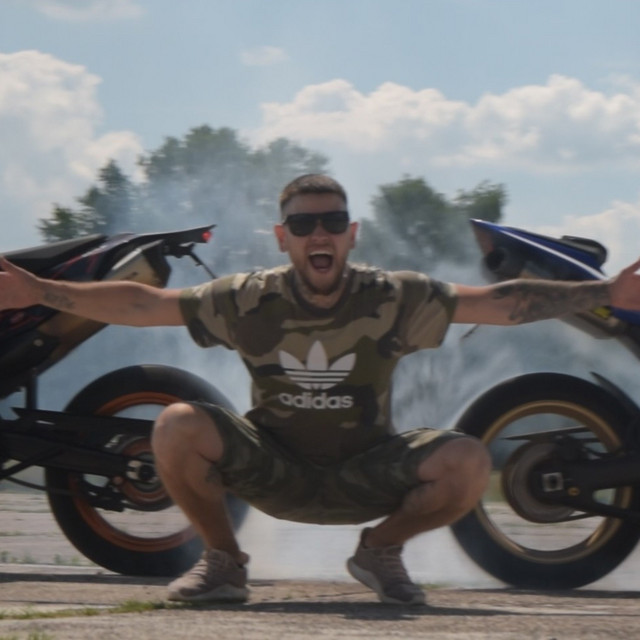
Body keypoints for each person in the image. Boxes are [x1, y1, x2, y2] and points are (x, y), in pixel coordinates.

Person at [2, 174, 640, 606]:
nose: (319, 234)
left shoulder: (392, 295)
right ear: (283, 237)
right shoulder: (249, 298)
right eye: (303, 224)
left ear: (351, 233)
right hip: (272, 469)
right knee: (175, 424)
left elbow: (498, 302)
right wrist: (39, 291)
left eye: (332, 221)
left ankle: (380, 551)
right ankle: (224, 563)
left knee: (469, 460)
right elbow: (145, 305)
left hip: (369, 472)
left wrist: (606, 293)